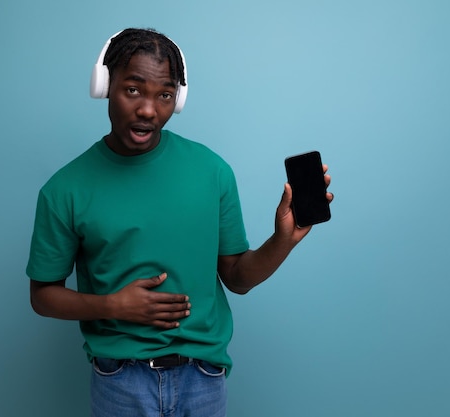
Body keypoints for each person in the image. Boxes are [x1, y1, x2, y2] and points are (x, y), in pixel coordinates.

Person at [26, 28, 333, 417]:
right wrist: (114, 305)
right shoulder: (64, 189)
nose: (149, 110)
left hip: (202, 379)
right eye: (133, 90)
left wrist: (283, 240)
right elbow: (42, 295)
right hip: (120, 382)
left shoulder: (211, 171)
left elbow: (237, 278)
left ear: (178, 98)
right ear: (105, 85)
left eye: (165, 95)